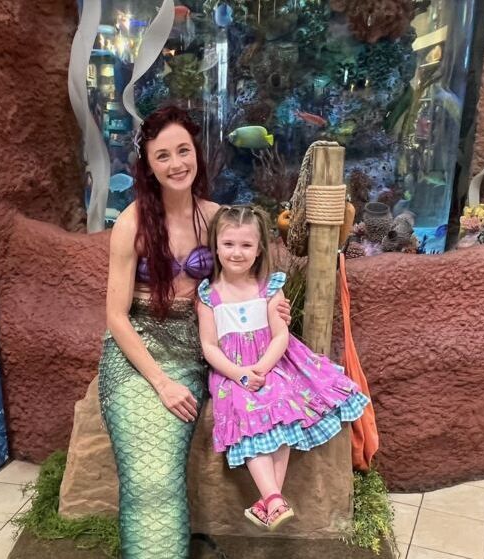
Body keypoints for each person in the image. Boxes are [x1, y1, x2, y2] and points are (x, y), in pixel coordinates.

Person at [98, 107, 289, 558]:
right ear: (147, 164)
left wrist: (270, 303)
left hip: (210, 343)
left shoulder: (218, 218)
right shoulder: (131, 224)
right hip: (143, 349)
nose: (176, 163)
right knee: (151, 477)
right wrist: (161, 383)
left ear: (197, 155)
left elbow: (250, 274)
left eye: (184, 150)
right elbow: (116, 317)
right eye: (162, 155)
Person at [196, 205, 369, 530]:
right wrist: (239, 373)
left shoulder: (271, 289)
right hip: (231, 372)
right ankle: (274, 497)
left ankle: (270, 500)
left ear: (259, 248)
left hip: (273, 362)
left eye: (246, 245)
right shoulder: (209, 296)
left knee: (283, 403)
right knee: (246, 412)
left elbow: (280, 335)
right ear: (215, 246)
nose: (236, 253)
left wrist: (261, 367)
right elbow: (209, 346)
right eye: (229, 244)